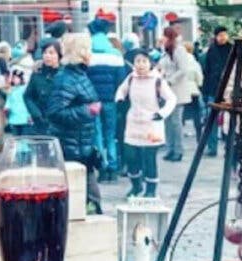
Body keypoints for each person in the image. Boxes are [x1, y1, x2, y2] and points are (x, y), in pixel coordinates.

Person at [46, 32, 103, 214]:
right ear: (82, 52)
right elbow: (55, 112)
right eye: (89, 49)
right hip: (71, 148)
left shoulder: (79, 75)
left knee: (89, 196)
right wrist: (88, 111)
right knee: (82, 198)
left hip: (82, 145)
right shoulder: (67, 79)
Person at [115, 49, 177, 198]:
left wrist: (161, 114)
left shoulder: (158, 81)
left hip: (152, 125)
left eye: (144, 61)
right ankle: (136, 186)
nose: (141, 65)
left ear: (150, 63)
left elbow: (171, 99)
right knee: (131, 157)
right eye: (138, 61)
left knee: (150, 159)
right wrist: (120, 100)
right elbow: (121, 91)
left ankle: (151, 190)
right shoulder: (131, 78)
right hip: (133, 124)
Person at [86, 10, 126, 182]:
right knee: (111, 134)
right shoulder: (115, 55)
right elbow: (122, 82)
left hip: (93, 102)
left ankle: (101, 167)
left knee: (97, 134)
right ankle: (113, 166)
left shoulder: (87, 55)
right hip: (110, 101)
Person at [157, 27, 189, 162]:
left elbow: (183, 70)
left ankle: (178, 150)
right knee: (168, 122)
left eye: (163, 36)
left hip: (176, 91)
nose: (161, 38)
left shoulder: (179, 50)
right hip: (167, 92)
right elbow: (162, 67)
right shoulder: (165, 52)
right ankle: (170, 149)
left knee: (176, 122)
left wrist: (170, 80)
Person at [201, 26, 231, 156]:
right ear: (216, 36)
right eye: (220, 35)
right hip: (213, 88)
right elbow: (206, 71)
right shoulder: (211, 50)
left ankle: (229, 147)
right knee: (211, 118)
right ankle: (212, 147)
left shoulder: (232, 49)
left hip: (229, 89)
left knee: (229, 119)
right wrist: (206, 91)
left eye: (225, 34)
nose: (223, 37)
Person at [24, 38, 61, 135]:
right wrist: (36, 114)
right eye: (45, 53)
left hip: (59, 123)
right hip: (40, 123)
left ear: (59, 55)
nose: (47, 56)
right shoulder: (37, 73)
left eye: (51, 53)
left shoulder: (64, 74)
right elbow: (27, 96)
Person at [182, 42, 203, 141]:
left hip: (181, 91)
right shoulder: (195, 63)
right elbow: (199, 78)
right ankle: (199, 135)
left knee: (180, 115)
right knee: (196, 115)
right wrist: (198, 85)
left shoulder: (179, 61)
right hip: (193, 90)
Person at [4, 69, 32, 135]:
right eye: (14, 78)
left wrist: (30, 115)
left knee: (24, 138)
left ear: (21, 79)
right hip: (14, 118)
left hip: (24, 118)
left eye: (17, 78)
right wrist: (6, 108)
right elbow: (8, 101)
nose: (15, 80)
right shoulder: (11, 90)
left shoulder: (25, 89)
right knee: (15, 138)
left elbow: (29, 102)